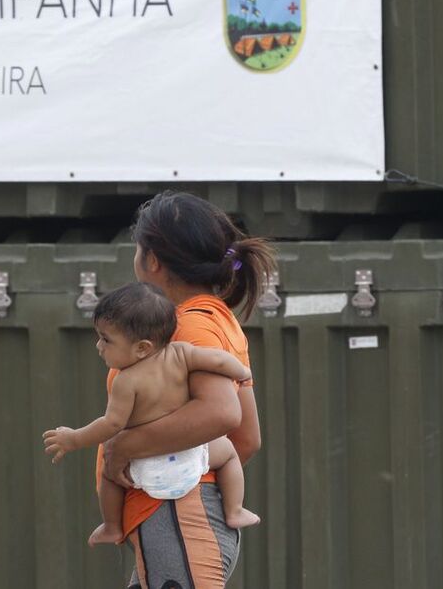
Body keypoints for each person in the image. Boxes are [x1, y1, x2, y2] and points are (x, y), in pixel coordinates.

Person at [101, 191, 276, 589]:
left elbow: (222, 415)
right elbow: (245, 439)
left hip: (177, 517)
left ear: (153, 261)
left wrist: (123, 449)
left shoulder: (190, 327)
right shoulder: (216, 321)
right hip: (174, 518)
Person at [42, 282, 260, 547]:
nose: (99, 346)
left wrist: (75, 439)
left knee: (109, 474)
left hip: (147, 470)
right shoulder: (182, 353)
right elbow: (218, 360)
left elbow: (112, 423)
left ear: (142, 348)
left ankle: (111, 526)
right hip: (190, 461)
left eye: (106, 339)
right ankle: (234, 509)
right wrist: (242, 373)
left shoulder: (127, 381)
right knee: (227, 452)